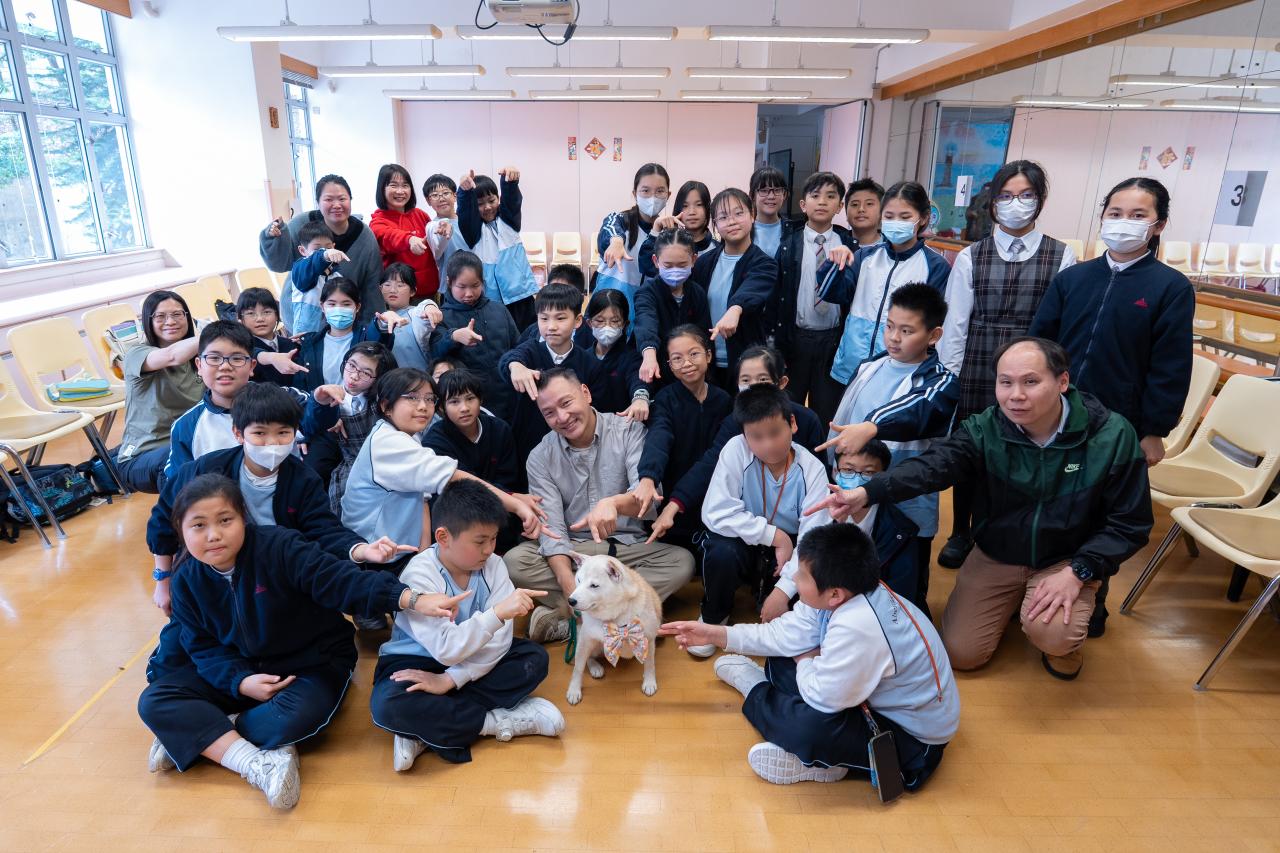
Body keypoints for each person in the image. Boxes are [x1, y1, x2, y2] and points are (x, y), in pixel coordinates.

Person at [807, 338, 1153, 680]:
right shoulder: (988, 427)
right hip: (999, 551)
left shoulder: (1110, 435)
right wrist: (868, 492)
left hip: (1065, 559)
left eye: (1030, 382)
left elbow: (1130, 523)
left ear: (1062, 381)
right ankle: (1018, 599)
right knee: (961, 653)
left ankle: (1065, 623)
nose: (1016, 395)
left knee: (1055, 634)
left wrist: (1079, 570)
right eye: (1006, 382)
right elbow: (935, 465)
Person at [137, 474, 467, 809]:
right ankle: (252, 761)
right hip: (246, 671)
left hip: (311, 665)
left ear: (243, 518)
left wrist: (412, 599)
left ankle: (201, 736)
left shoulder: (279, 547)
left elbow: (342, 581)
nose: (214, 535)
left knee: (295, 717)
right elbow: (203, 648)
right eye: (199, 526)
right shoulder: (187, 580)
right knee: (154, 700)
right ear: (180, 531)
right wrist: (241, 681)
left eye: (225, 520)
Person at [660, 522, 959, 788]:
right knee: (780, 657)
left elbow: (821, 698)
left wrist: (805, 658)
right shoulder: (846, 591)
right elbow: (781, 635)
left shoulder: (859, 625)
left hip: (912, 741)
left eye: (802, 575)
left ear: (834, 594)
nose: (794, 578)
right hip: (863, 697)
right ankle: (824, 759)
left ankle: (758, 692)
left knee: (806, 729)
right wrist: (716, 634)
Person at [1028, 177, 1192, 639]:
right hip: (1056, 414)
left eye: (1138, 215)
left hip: (1119, 425)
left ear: (1158, 224)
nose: (1124, 223)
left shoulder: (1170, 288)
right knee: (1046, 500)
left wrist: (1153, 430)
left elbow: (1170, 366)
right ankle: (1034, 586)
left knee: (1100, 513)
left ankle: (1091, 597)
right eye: (1115, 213)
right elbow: (1040, 342)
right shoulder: (1073, 279)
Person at [148, 381, 411, 618]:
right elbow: (163, 519)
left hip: (279, 572)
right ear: (238, 433)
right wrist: (163, 579)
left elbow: (323, 529)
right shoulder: (204, 471)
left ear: (296, 433)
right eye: (260, 433)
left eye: (283, 433)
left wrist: (362, 550)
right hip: (218, 570)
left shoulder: (303, 479)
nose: (272, 443)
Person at [937, 160, 1076, 573]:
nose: (1016, 203)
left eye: (1026, 195)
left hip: (1032, 367)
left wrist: (1052, 377)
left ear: (1040, 201)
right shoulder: (971, 256)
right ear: (993, 202)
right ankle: (960, 531)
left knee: (1023, 452)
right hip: (978, 364)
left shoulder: (1061, 255)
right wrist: (950, 378)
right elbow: (956, 323)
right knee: (972, 450)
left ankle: (1005, 531)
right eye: (1006, 195)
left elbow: (1062, 326)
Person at [370, 480, 565, 771]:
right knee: (387, 704)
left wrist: (450, 680)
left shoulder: (494, 566)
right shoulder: (420, 574)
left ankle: (425, 730)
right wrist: (496, 614)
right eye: (479, 541)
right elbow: (446, 649)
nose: (489, 549)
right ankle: (495, 722)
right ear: (443, 537)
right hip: (417, 660)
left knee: (533, 659)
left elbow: (500, 642)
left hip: (471, 661)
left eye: (494, 539)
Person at [503, 368, 696, 644]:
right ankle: (622, 617)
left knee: (682, 563)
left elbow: (649, 501)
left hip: (626, 550)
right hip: (574, 551)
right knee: (514, 562)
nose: (562, 417)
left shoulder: (628, 431)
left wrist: (614, 504)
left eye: (566, 403)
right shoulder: (540, 456)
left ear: (585, 393)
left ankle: (566, 618)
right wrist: (571, 591)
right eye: (549, 413)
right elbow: (552, 530)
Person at [818, 284, 959, 618]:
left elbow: (918, 408)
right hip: (855, 495)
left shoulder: (940, 381)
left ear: (934, 335)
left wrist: (872, 425)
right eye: (890, 326)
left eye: (907, 331)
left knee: (901, 591)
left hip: (906, 506)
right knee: (849, 573)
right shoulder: (871, 366)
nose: (894, 338)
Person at [340, 367, 544, 561]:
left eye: (429, 399)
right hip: (373, 553)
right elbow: (455, 478)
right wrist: (516, 505)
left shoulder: (409, 436)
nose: (423, 406)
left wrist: (423, 559)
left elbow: (422, 500)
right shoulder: (389, 442)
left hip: (401, 553)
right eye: (412, 398)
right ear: (386, 406)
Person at [695, 385, 833, 654]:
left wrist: (783, 591)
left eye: (775, 433)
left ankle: (777, 605)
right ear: (744, 435)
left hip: (793, 547)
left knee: (795, 604)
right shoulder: (736, 450)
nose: (767, 445)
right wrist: (774, 536)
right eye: (756, 437)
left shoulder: (812, 469)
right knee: (720, 550)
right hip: (746, 536)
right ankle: (714, 616)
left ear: (792, 424)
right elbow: (716, 511)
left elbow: (813, 538)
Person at [648, 346, 827, 545]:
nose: (753, 387)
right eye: (746, 381)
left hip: (795, 520)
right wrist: (674, 504)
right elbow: (709, 464)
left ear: (781, 382)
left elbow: (817, 479)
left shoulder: (807, 420)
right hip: (749, 522)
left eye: (762, 380)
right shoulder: (735, 423)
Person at [818, 181, 951, 386]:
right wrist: (835, 264)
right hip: (852, 365)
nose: (896, 222)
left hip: (899, 371)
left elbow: (934, 322)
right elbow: (831, 293)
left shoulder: (935, 265)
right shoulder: (864, 256)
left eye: (905, 217)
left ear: (923, 218)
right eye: (889, 216)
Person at [632, 325, 732, 553]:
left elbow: (718, 455)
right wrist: (648, 477)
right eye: (677, 358)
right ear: (669, 365)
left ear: (709, 355)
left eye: (694, 354)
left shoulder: (724, 401)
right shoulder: (665, 399)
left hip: (712, 496)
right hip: (672, 499)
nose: (686, 363)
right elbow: (659, 437)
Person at [774, 171, 855, 425]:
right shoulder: (788, 244)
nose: (822, 202)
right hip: (797, 338)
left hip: (832, 341)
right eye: (815, 195)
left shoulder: (848, 244)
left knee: (826, 411)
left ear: (839, 206)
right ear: (803, 204)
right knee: (790, 409)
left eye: (830, 197)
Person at [498, 283, 606, 460]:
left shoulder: (590, 365)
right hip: (528, 449)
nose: (551, 326)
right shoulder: (530, 351)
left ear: (577, 320)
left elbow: (598, 412)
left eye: (560, 318)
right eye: (544, 318)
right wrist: (515, 366)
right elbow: (510, 358)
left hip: (575, 452)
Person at [260, 174, 384, 326]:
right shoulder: (302, 223)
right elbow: (279, 264)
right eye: (328, 199)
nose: (336, 205)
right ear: (318, 202)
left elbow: (372, 287)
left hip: (343, 321)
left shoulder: (364, 236)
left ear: (350, 200)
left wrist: (372, 325)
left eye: (342, 199)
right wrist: (273, 238)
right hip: (300, 320)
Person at [423, 368, 525, 549]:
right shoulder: (435, 440)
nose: (464, 408)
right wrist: (511, 497)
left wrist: (511, 496)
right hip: (457, 516)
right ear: (441, 408)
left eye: (470, 398)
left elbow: (509, 479)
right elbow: (461, 488)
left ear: (481, 400)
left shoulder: (499, 429)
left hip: (501, 515)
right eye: (454, 401)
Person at [116, 290, 204, 493]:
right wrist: (214, 334)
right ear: (148, 321)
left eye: (177, 314)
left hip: (188, 444)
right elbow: (172, 356)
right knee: (179, 459)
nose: (170, 321)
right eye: (160, 316)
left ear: (187, 317)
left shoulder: (199, 357)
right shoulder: (137, 354)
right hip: (142, 456)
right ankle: (173, 514)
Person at [299, 341, 397, 517]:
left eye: (366, 373)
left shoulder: (381, 404)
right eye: (351, 365)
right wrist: (324, 409)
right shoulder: (326, 394)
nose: (354, 376)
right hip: (330, 456)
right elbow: (309, 426)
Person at [695, 188, 779, 388]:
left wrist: (735, 308)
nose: (731, 222)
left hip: (746, 363)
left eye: (739, 213)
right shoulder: (704, 263)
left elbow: (752, 289)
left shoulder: (764, 263)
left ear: (752, 215)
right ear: (715, 224)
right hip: (707, 361)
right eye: (723, 217)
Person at [425, 251, 520, 425]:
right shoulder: (442, 316)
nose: (469, 293)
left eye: (475, 286)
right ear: (449, 282)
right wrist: (454, 336)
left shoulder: (498, 309)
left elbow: (517, 346)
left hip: (508, 392)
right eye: (461, 287)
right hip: (469, 400)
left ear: (482, 282)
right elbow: (435, 353)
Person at [163, 321, 261, 484]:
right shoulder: (186, 426)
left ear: (252, 366)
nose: (225, 366)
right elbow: (179, 484)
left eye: (237, 358)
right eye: (214, 358)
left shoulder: (282, 402)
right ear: (199, 366)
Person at [833, 438, 922, 604]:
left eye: (868, 472)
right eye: (848, 470)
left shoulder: (902, 532)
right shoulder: (820, 516)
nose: (857, 480)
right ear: (835, 471)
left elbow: (900, 596)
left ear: (883, 478)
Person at [457, 167, 539, 331]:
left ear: (498, 199)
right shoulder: (473, 231)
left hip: (521, 294)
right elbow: (465, 213)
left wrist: (509, 183)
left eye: (491, 200)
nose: (487, 207)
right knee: (500, 335)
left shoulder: (509, 222)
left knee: (528, 333)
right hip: (492, 299)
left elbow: (512, 202)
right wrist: (464, 193)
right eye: (480, 204)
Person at [634, 229, 710, 387]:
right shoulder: (647, 292)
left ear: (693, 260)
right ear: (656, 261)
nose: (675, 271)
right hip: (657, 370)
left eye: (682, 265)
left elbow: (703, 334)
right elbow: (646, 320)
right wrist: (649, 354)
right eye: (668, 266)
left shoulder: (698, 293)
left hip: (690, 372)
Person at [596, 163, 670, 309]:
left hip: (645, 309)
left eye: (660, 191)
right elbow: (609, 229)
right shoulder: (619, 220)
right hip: (608, 309)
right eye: (645, 190)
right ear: (635, 194)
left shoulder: (666, 233)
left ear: (668, 195)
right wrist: (616, 242)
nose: (653, 197)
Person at [369, 163, 439, 298]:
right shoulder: (377, 221)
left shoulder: (420, 214)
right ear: (382, 189)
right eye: (394, 185)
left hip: (430, 290)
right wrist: (409, 239)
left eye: (405, 185)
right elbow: (389, 236)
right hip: (400, 297)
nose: (400, 191)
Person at [582, 288, 650, 420]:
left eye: (615, 321)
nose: (607, 327)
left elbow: (638, 381)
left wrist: (640, 398)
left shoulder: (632, 358)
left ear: (625, 324)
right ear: (590, 323)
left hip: (622, 426)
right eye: (600, 321)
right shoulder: (583, 358)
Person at [365, 262, 442, 372]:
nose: (392, 290)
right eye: (387, 285)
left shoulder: (415, 314)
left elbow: (423, 308)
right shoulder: (379, 319)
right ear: (380, 289)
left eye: (400, 285)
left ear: (412, 291)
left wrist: (430, 305)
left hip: (418, 378)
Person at [638, 180, 718, 279]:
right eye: (685, 206)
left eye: (699, 204)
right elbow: (646, 267)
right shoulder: (666, 243)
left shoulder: (717, 248)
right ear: (678, 208)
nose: (692, 212)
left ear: (707, 208)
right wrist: (656, 229)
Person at [286, 220, 347, 337]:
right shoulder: (302, 267)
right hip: (306, 327)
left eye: (328, 248)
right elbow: (315, 263)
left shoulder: (335, 273)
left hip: (329, 326)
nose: (325, 252)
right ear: (302, 250)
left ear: (334, 247)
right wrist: (324, 255)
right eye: (317, 250)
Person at [236, 287, 299, 388]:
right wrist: (271, 358)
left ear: (277, 315)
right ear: (240, 320)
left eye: (266, 312)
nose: (260, 319)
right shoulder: (240, 348)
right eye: (251, 313)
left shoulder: (290, 344)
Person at [422, 173, 469, 284]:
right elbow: (437, 252)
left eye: (445, 193)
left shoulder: (467, 221)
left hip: (475, 282)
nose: (441, 198)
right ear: (428, 201)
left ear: (455, 196)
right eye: (435, 195)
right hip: (449, 285)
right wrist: (444, 229)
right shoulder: (432, 226)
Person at [749, 165, 794, 259]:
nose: (771, 196)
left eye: (777, 190)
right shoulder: (744, 230)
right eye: (764, 190)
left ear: (784, 194)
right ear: (752, 195)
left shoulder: (793, 231)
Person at [844, 178, 884, 248]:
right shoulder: (836, 242)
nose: (861, 209)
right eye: (855, 204)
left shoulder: (894, 248)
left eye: (869, 204)